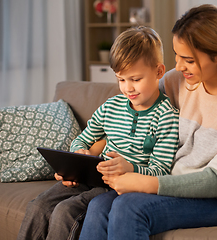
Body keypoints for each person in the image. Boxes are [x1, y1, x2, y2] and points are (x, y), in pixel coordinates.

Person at [78, 4, 217, 240]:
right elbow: (133, 113)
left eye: (189, 60)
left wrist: (147, 183)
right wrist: (86, 154)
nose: (179, 66)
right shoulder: (178, 81)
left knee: (129, 207)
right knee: (99, 206)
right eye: (177, 55)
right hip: (170, 181)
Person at [16, 26, 179, 240]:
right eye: (121, 79)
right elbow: (82, 139)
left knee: (66, 212)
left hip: (119, 186)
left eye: (135, 79)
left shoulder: (167, 116)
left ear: (159, 72)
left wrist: (129, 167)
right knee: (39, 205)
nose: (127, 88)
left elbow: (161, 172)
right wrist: (78, 157)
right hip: (90, 175)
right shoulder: (111, 106)